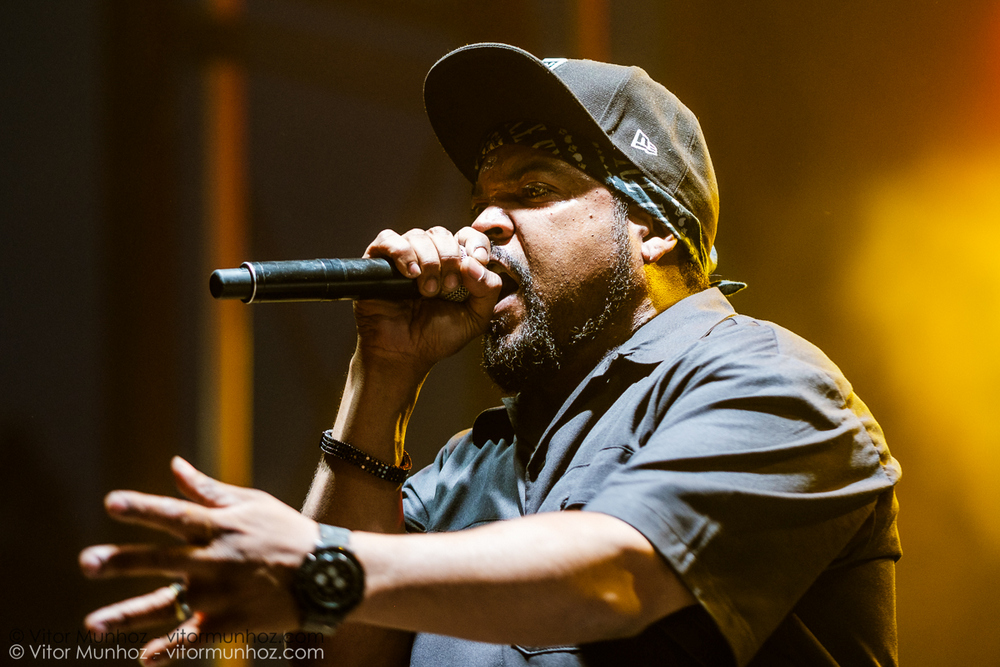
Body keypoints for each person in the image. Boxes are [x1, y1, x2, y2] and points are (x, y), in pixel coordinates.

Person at [79, 43, 901, 667]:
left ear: (651, 228)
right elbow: (342, 646)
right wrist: (383, 373)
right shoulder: (473, 464)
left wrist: (321, 563)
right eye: (480, 201)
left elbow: (611, 579)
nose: (483, 226)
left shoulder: (769, 384)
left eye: (532, 191)